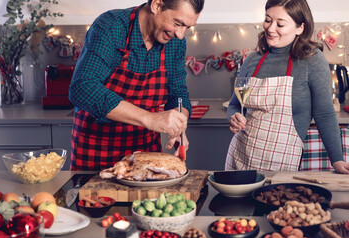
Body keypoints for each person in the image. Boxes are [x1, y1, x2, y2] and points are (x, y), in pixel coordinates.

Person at [69, 0, 204, 170]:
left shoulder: (175, 43)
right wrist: (149, 118)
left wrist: (179, 124)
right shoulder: (111, 26)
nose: (180, 34)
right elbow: (82, 87)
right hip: (96, 151)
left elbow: (178, 93)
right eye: (177, 23)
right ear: (156, 5)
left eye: (187, 27)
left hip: (146, 154)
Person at [225, 0, 349, 174]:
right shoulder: (252, 60)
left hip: (282, 164)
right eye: (268, 20)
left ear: (300, 28)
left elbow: (324, 113)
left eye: (280, 24)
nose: (270, 28)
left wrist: (337, 159)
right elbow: (235, 105)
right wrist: (234, 116)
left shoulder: (312, 60)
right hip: (240, 157)